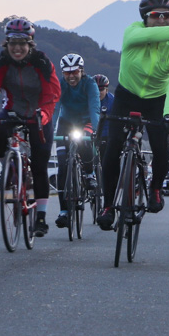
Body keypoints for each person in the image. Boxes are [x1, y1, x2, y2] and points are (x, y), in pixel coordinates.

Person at [98, 0, 169, 231]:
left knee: (161, 148)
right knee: (112, 147)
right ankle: (108, 206)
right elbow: (151, 34)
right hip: (126, 96)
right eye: (155, 15)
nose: (161, 20)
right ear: (144, 18)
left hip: (157, 100)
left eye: (167, 16)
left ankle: (156, 189)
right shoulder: (133, 32)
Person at [0, 17, 60, 238]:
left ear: (30, 44)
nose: (17, 48)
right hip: (14, 109)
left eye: (22, 43)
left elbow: (52, 93)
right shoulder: (0, 62)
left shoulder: (41, 62)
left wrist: (44, 114)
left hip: (40, 112)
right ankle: (11, 168)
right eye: (13, 43)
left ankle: (40, 217)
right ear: (7, 44)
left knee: (41, 164)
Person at [51, 52, 100, 229]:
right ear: (63, 73)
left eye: (75, 72)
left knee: (85, 141)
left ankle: (88, 173)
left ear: (82, 71)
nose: (71, 76)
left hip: (86, 120)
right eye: (67, 73)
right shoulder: (60, 84)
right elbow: (55, 107)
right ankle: (64, 211)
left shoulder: (90, 84)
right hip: (65, 122)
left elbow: (95, 109)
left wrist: (94, 129)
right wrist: (50, 129)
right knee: (63, 166)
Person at [92, 74, 113, 151]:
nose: (98, 92)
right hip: (88, 133)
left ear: (106, 90)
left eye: (101, 90)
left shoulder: (112, 101)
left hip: (105, 135)